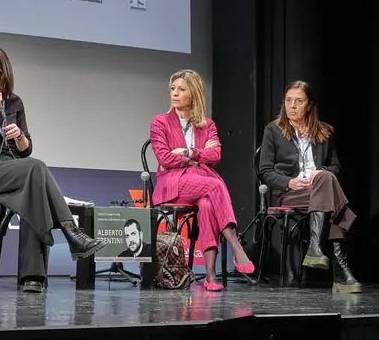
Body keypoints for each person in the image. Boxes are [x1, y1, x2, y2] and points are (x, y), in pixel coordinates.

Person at [0, 45, 104, 293]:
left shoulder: (15, 102)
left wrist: (19, 135)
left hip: (14, 169)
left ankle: (32, 278)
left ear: (2, 71)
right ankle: (69, 233)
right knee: (36, 169)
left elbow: (26, 149)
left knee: (34, 186)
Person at [149, 69, 254, 291]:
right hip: (173, 183)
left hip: (201, 182)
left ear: (194, 94)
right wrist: (195, 157)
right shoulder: (160, 122)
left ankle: (210, 276)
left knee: (207, 205)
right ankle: (236, 246)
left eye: (181, 89)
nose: (174, 93)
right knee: (215, 185)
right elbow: (164, 158)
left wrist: (188, 153)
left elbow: (215, 155)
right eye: (173, 88)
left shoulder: (207, 125)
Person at [258, 80, 361, 293]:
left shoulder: (324, 131)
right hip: (291, 194)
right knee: (334, 197)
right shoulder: (273, 130)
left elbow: (336, 167)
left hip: (319, 191)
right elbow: (265, 171)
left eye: (298, 101)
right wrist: (289, 182)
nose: (292, 106)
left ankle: (316, 247)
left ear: (309, 106)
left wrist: (320, 171)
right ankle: (341, 273)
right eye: (288, 101)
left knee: (325, 177)